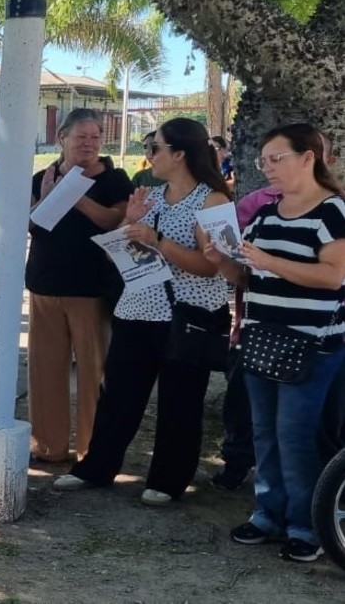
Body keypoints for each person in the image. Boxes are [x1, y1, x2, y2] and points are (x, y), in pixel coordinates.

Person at [54, 118, 233, 506]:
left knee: (179, 401)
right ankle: (96, 468)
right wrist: (130, 224)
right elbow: (131, 249)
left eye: (155, 147)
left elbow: (213, 266)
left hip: (187, 315)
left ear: (180, 153)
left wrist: (159, 240)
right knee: (118, 395)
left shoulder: (213, 201)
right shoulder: (151, 194)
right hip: (137, 308)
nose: (148, 154)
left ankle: (168, 480)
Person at [207, 124, 345, 563]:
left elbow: (333, 277)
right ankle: (268, 514)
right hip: (261, 339)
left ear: (309, 158)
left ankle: (307, 526)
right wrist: (223, 264)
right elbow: (251, 279)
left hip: (312, 346)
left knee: (296, 435)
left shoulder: (333, 212)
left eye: (276, 158)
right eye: (262, 160)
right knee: (264, 431)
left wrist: (269, 260)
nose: (266, 168)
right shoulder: (267, 214)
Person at [26, 109, 133, 463]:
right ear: (62, 138)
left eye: (95, 137)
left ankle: (91, 450)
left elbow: (112, 221)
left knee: (93, 372)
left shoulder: (116, 180)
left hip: (91, 290)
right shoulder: (42, 176)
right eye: (81, 137)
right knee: (45, 371)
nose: (88, 144)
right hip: (44, 284)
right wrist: (47, 197)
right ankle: (49, 444)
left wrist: (71, 194)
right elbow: (33, 224)